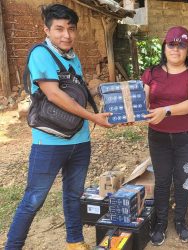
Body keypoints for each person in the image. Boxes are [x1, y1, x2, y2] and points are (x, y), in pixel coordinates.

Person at [5, 4, 112, 250]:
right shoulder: (40, 54)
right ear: (47, 30)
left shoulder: (73, 58)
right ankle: (13, 246)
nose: (66, 35)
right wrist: (94, 118)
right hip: (49, 142)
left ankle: (74, 241)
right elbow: (54, 95)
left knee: (74, 194)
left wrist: (111, 94)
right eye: (59, 29)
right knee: (34, 199)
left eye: (71, 29)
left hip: (79, 140)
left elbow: (80, 94)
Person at [141, 26, 188, 246]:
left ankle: (180, 221)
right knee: (161, 180)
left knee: (182, 179)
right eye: (172, 44)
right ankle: (160, 222)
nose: (176, 50)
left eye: (181, 45)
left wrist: (166, 111)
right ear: (165, 46)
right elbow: (141, 99)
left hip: (187, 136)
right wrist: (132, 111)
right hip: (158, 136)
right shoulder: (152, 73)